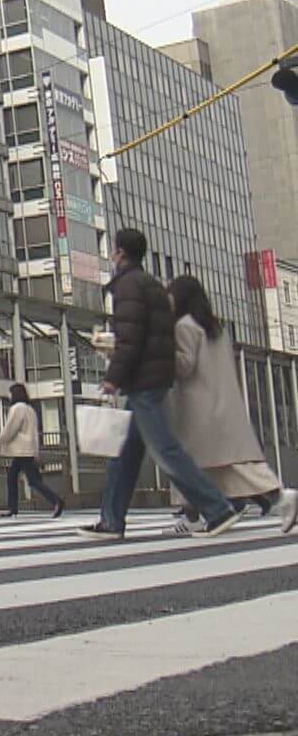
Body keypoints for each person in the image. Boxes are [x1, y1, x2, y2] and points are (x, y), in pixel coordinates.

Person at [80, 229, 242, 541]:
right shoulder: (151, 284)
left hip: (143, 381)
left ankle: (218, 509)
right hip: (152, 378)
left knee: (166, 451)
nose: (113, 255)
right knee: (124, 454)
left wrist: (113, 377)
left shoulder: (128, 286)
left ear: (121, 252)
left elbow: (131, 337)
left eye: (114, 250)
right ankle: (111, 520)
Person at [165, 275, 297, 534]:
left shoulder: (184, 326)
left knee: (193, 464)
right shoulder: (216, 327)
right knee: (222, 466)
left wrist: (163, 353)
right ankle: (193, 516)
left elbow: (184, 365)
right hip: (222, 403)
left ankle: (282, 497)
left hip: (197, 408)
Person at [0, 383, 63, 518]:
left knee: (30, 480)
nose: (8, 396)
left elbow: (9, 431)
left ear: (14, 394)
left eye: (10, 393)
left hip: (21, 450)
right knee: (16, 476)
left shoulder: (17, 409)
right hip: (28, 449)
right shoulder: (30, 409)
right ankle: (13, 508)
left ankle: (56, 500)